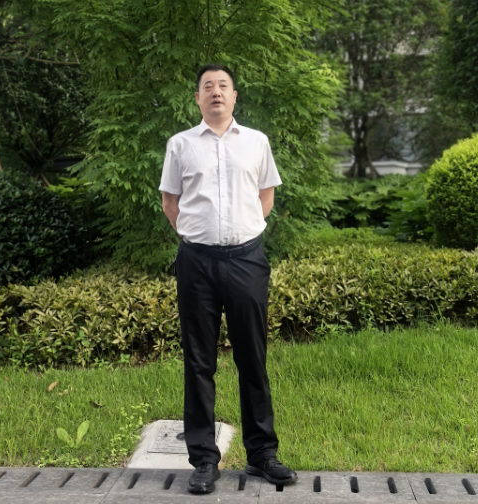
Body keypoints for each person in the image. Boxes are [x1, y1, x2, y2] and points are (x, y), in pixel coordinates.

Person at [159, 64, 298, 494]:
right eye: (208, 86)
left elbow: (265, 197)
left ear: (235, 96)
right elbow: (170, 202)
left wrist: (240, 234)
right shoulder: (180, 145)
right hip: (196, 264)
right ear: (197, 98)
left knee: (252, 357)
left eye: (223, 86)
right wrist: (198, 237)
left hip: (246, 262)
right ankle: (204, 459)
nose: (216, 92)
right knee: (199, 361)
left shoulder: (257, 142)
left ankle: (262, 454)